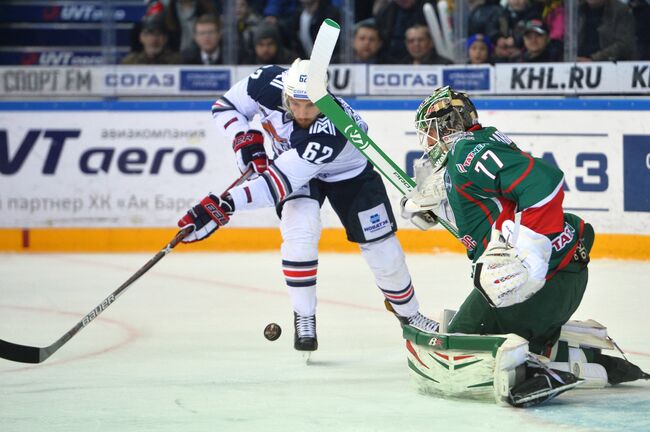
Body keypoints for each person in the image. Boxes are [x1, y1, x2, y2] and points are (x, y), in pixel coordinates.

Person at [177, 59, 440, 353]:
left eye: (311, 105)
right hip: (293, 168)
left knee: (384, 248)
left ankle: (410, 315)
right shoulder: (263, 82)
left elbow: (277, 185)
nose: (302, 113)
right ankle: (304, 315)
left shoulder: (332, 128)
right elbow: (225, 106)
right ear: (285, 94)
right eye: (295, 103)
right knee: (299, 233)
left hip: (348, 174)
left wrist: (224, 204)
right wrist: (243, 139)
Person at [401, 86, 649, 389]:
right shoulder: (479, 143)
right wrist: (444, 208)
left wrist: (530, 257)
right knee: (491, 337)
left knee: (455, 353)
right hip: (562, 277)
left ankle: (531, 375)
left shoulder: (468, 152)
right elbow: (495, 207)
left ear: (449, 124)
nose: (427, 141)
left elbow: (544, 182)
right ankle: (591, 364)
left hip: (533, 285)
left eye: (429, 131)